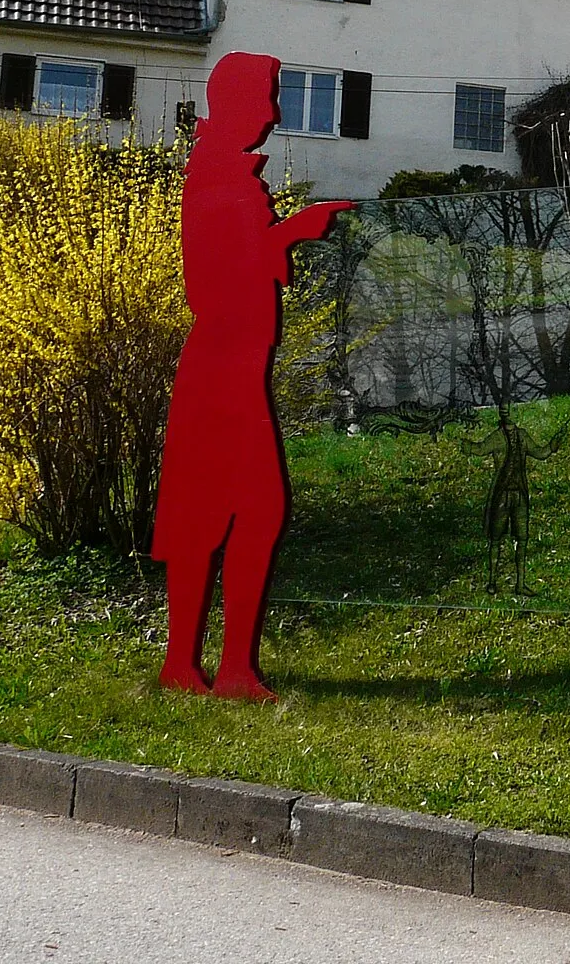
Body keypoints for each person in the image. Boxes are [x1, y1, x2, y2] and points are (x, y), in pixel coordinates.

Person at [152, 52, 353, 699]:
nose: (273, 114)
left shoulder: (221, 173)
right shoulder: (215, 175)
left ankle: (203, 665)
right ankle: (212, 667)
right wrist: (288, 233)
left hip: (231, 363)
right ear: (238, 103)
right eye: (266, 99)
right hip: (222, 368)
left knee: (226, 512)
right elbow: (214, 280)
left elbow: (237, 262)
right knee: (242, 511)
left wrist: (288, 232)